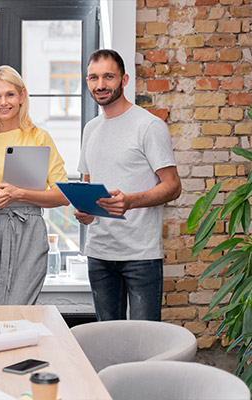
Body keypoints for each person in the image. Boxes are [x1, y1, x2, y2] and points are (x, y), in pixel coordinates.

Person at [75, 49, 181, 321]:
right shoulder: (91, 129)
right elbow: (87, 187)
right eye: (93, 78)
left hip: (140, 255)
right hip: (98, 253)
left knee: (144, 343)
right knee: (108, 341)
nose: (100, 85)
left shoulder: (148, 126)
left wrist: (130, 200)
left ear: (124, 80)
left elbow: (172, 186)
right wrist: (83, 212)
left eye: (108, 77)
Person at [0, 66, 69, 305]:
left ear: (22, 96)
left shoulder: (38, 137)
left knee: (18, 308)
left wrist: (20, 193)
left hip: (29, 229)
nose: (3, 102)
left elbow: (64, 195)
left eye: (10, 94)